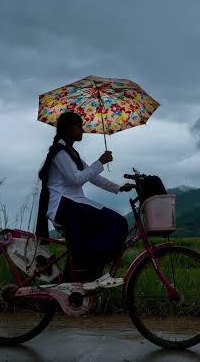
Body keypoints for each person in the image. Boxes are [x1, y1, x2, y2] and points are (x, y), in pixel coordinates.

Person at [36, 111, 135, 290]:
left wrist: (118, 188)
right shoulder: (59, 153)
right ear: (68, 129)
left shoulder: (70, 152)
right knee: (118, 223)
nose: (83, 130)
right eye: (79, 126)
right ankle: (93, 271)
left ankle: (78, 278)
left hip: (72, 203)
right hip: (65, 205)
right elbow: (77, 178)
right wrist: (101, 161)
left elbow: (92, 176)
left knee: (99, 232)